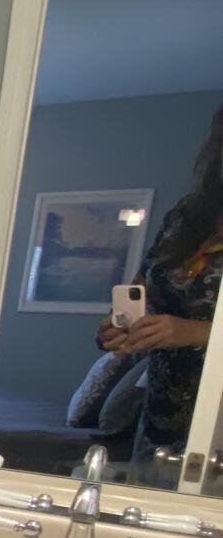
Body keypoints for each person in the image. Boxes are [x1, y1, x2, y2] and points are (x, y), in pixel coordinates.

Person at [98, 103, 223, 458]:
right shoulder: (188, 216)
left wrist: (192, 331)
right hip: (162, 414)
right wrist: (121, 326)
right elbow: (143, 287)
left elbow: (188, 327)